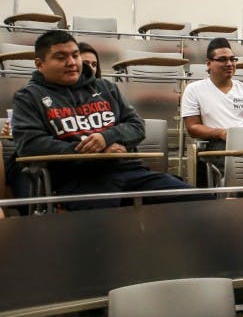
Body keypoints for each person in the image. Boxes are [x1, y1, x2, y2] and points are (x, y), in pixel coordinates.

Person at [10, 30, 192, 209]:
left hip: (130, 171)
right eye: (61, 57)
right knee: (106, 222)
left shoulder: (106, 87)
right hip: (79, 179)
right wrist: (95, 151)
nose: (71, 62)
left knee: (197, 199)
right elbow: (30, 145)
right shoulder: (28, 97)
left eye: (75, 55)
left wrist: (106, 137)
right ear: (40, 64)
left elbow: (137, 126)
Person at [181, 37, 243, 182]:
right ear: (208, 63)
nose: (229, 64)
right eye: (222, 59)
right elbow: (193, 127)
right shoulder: (194, 89)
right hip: (218, 144)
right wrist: (222, 133)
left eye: (232, 59)